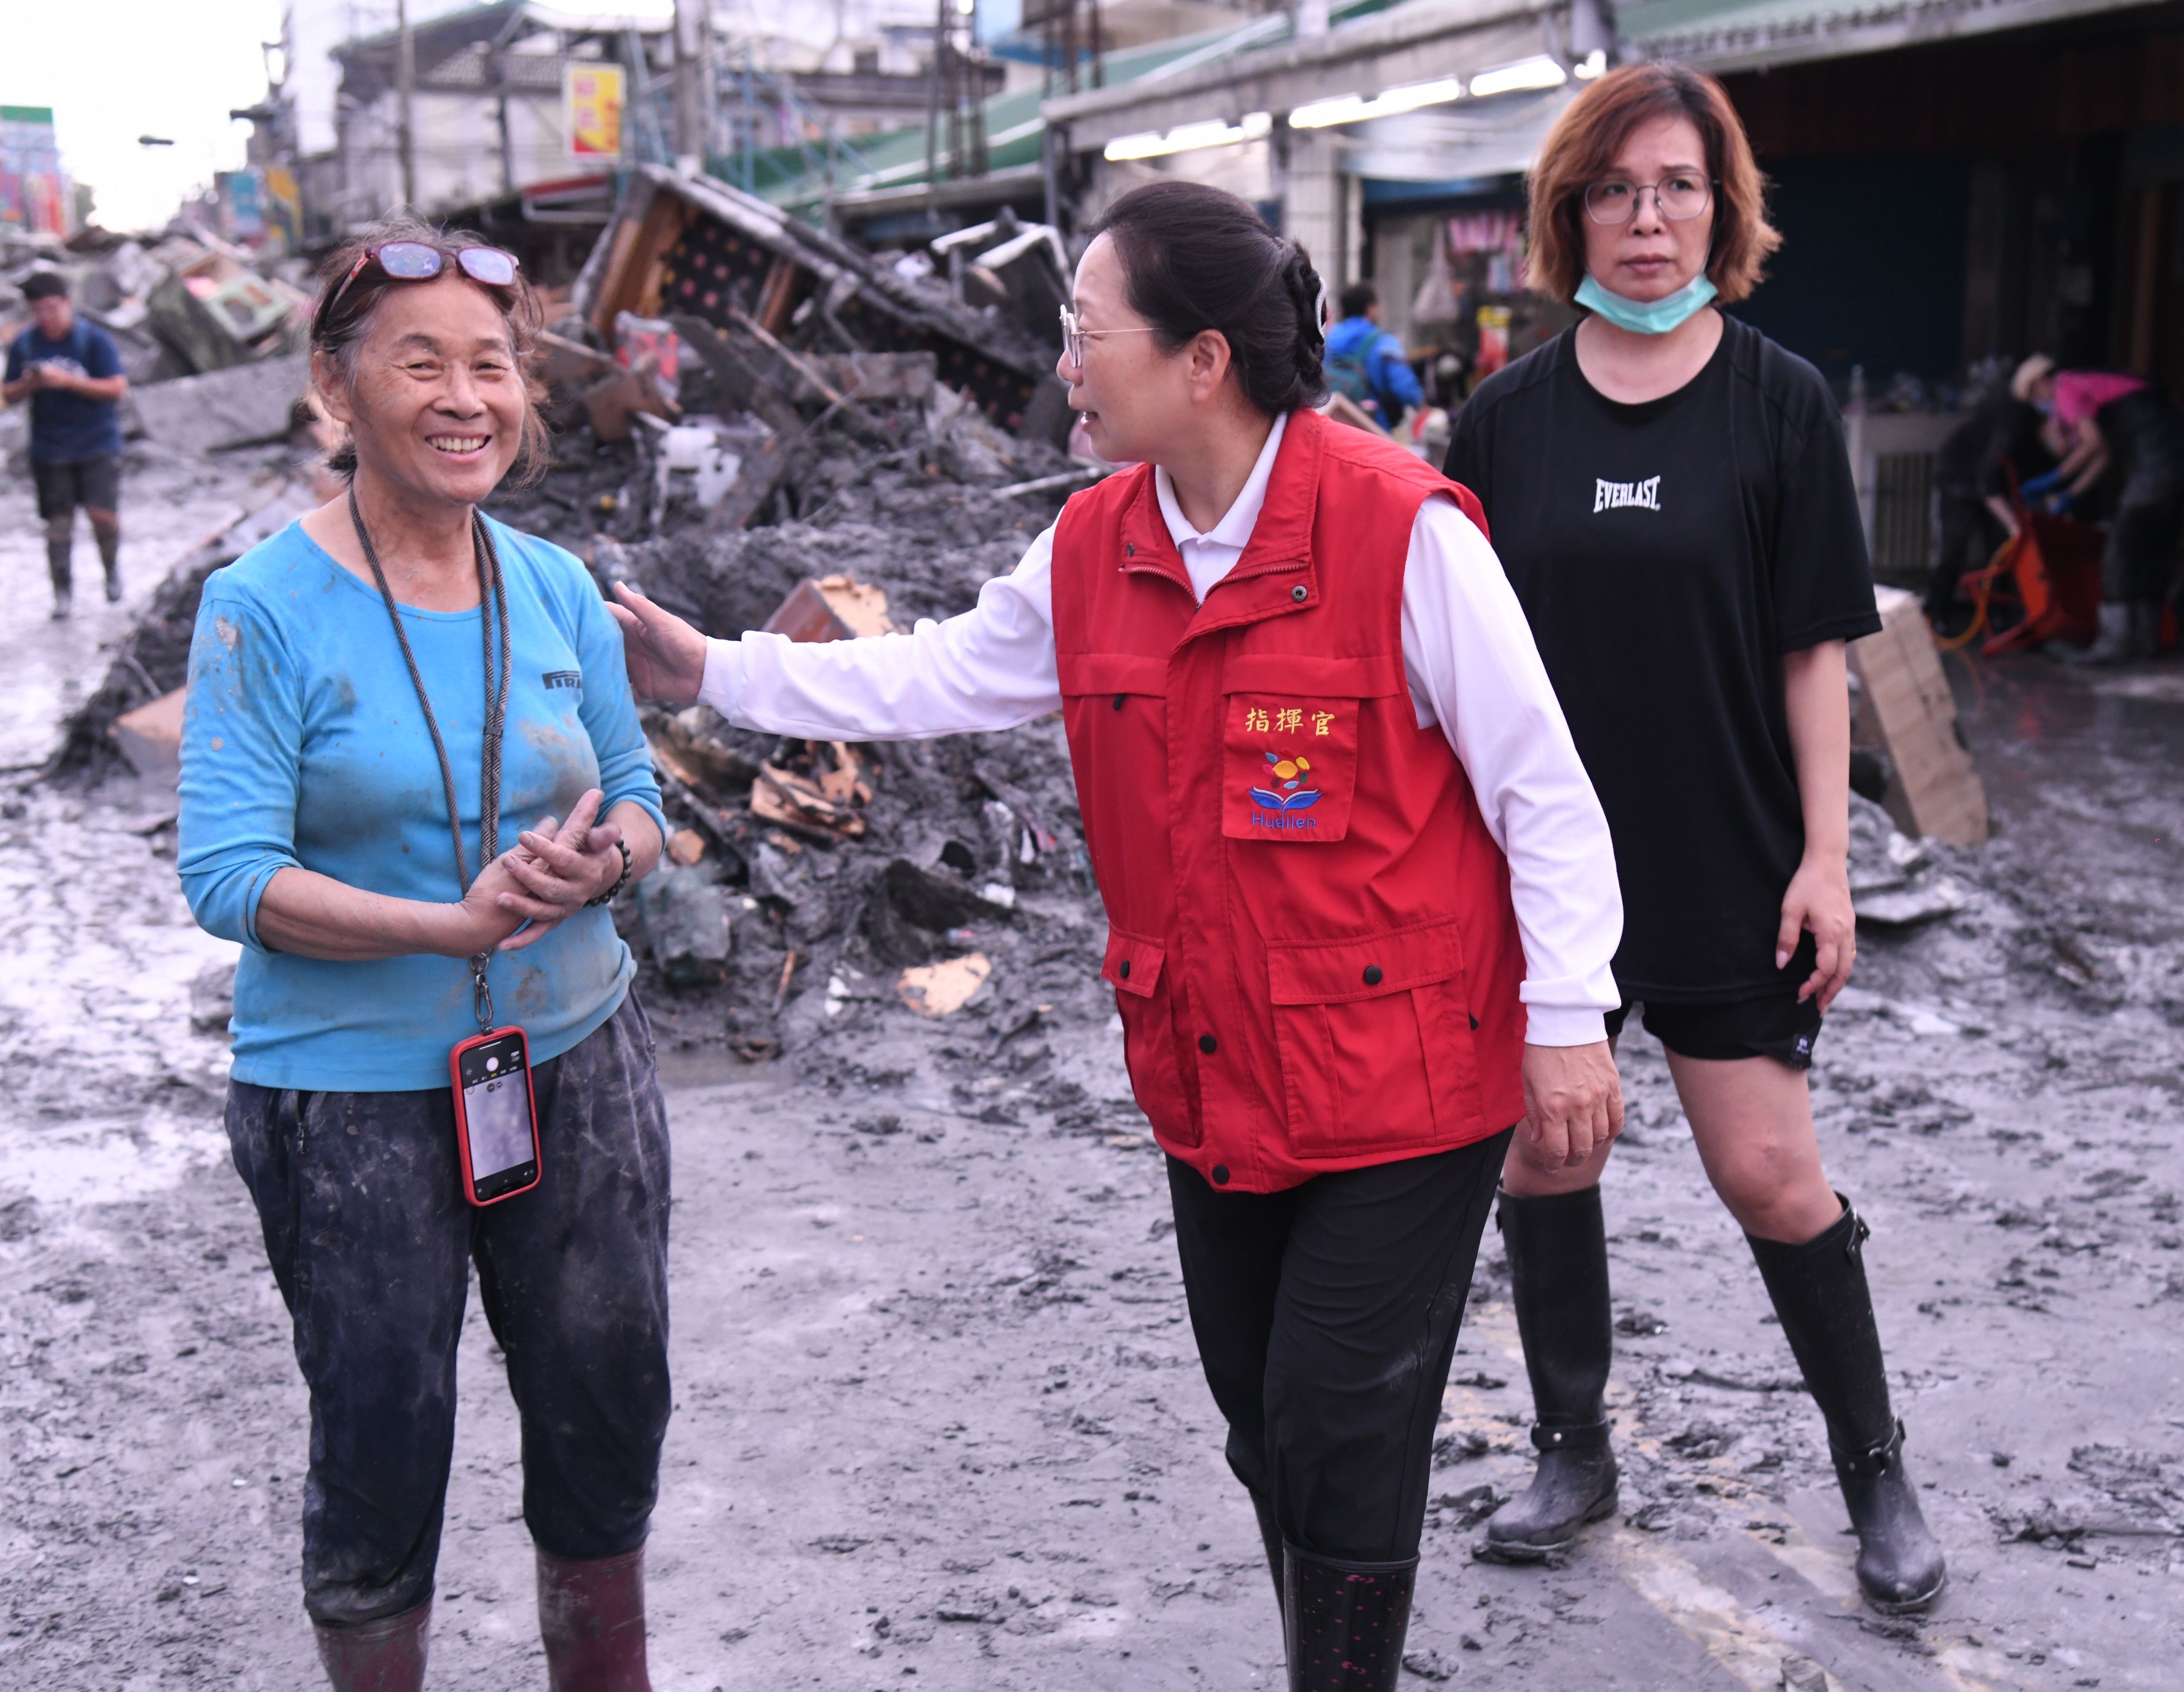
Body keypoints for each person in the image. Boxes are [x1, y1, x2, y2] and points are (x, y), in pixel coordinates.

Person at [609, 180, 1627, 1692]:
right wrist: (711, 669)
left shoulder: (1398, 531)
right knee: (1261, 1420)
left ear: (1202, 360)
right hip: (1214, 1067)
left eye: (1087, 333)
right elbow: (936, 673)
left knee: (1338, 1414)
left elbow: (1540, 790)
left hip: (1407, 1074)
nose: (1065, 365)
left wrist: (1569, 1015)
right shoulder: (1095, 543)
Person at [1442, 62, 1948, 1614]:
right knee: (1546, 1151)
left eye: (1675, 186)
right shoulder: (1500, 422)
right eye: (1614, 189)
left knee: (1770, 1173)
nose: (1647, 218)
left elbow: (1815, 653)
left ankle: (1875, 1468)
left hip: (1728, 853)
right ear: (1570, 213)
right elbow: (1451, 665)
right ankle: (1572, 1448)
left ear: (1720, 208)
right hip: (1545, 877)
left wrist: (1825, 860)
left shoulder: (1777, 402)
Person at [176, 223, 673, 1692]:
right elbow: (229, 875)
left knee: (607, 1413)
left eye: (493, 365)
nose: (468, 399)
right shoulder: (261, 606)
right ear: (336, 389)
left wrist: (606, 862)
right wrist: (448, 927)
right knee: (381, 1437)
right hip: (354, 1100)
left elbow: (639, 796)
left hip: (577, 1061)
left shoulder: (557, 584)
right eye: (421, 364)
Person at [2010, 352, 2184, 663]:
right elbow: (2103, 457)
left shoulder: (2066, 388)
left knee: (2121, 547)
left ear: (2042, 382)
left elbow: (2092, 444)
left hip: (2162, 454)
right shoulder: (2095, 385)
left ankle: (2116, 643)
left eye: (2034, 396)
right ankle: (2146, 640)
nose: (2039, 404)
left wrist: (2054, 478)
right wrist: (2069, 495)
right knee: (2152, 547)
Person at [1, 272, 127, 619]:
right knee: (58, 524)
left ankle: (112, 573)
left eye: (52, 308)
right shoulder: (25, 345)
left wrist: (68, 382)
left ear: (67, 303)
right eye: (38, 310)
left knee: (103, 517)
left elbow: (117, 388)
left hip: (96, 442)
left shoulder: (93, 341)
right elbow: (6, 393)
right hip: (50, 447)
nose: (47, 317)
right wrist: (31, 384)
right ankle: (62, 593)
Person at [1925, 376, 2046, 632]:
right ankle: (1937, 615)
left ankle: (1998, 617)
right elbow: (1988, 481)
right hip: (1961, 479)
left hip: (1989, 484)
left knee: (1999, 550)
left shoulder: (2036, 433)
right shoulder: (2016, 423)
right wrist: (2014, 524)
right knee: (1955, 547)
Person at [1322, 282, 1427, 431]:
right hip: (1373, 425)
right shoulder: (1383, 343)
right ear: (1370, 308)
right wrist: (1421, 404)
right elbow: (1406, 389)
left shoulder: (1327, 341)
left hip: (1333, 425)